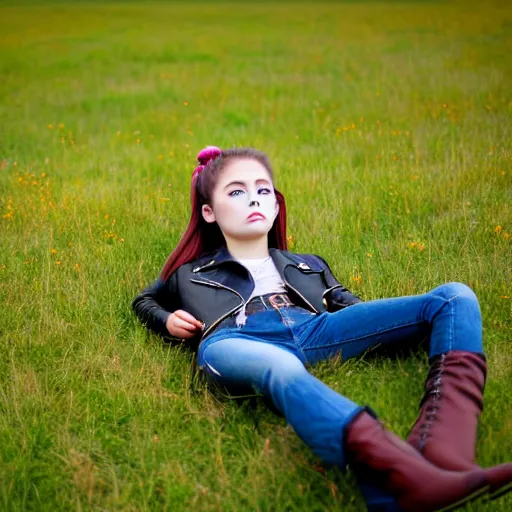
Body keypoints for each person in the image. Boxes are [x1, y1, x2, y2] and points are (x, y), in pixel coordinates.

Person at [132, 146, 512, 512]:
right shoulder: (189, 272)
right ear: (209, 212)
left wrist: (381, 324)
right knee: (281, 369)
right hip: (235, 339)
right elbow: (143, 300)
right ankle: (399, 476)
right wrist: (166, 319)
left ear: (277, 204)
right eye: (237, 191)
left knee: (454, 297)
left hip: (314, 328)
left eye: (263, 190)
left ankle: (445, 453)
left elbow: (347, 302)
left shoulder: (307, 263)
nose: (254, 200)